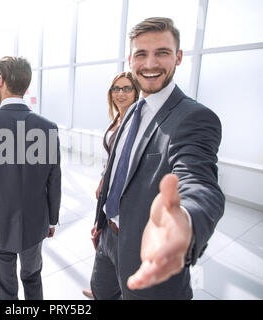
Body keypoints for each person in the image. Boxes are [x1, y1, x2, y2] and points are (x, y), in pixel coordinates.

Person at [90, 17, 225, 300]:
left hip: (145, 252)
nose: (150, 63)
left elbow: (198, 181)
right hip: (107, 239)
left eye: (162, 53)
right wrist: (102, 221)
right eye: (141, 54)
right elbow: (118, 167)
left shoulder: (194, 118)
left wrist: (185, 222)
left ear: (178, 57)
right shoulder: (132, 112)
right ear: (130, 60)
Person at [0, 56, 61, 300]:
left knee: (5, 290)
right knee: (32, 277)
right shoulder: (48, 127)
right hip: (35, 224)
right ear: (26, 85)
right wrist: (52, 219)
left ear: (0, 81)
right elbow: (53, 179)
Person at [83, 72, 139, 299]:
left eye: (127, 88)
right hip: (108, 190)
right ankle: (101, 289)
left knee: (120, 254)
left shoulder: (138, 121)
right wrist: (103, 179)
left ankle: (111, 291)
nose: (120, 93)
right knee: (102, 242)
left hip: (126, 201)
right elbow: (113, 159)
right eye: (116, 89)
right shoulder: (117, 118)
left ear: (137, 91)